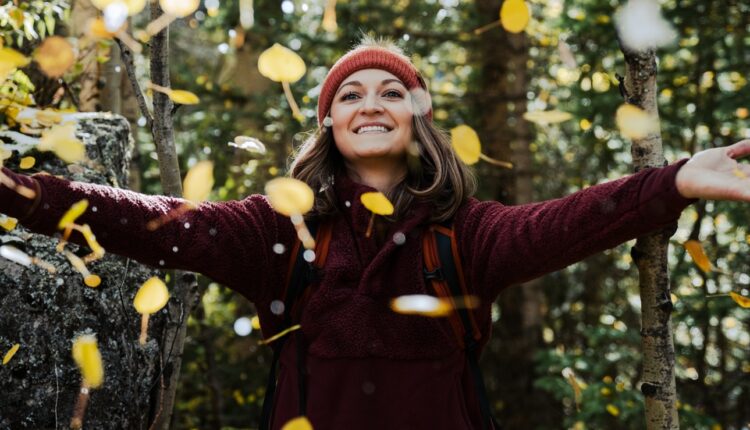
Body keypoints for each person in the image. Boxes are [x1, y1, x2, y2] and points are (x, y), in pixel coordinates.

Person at [1, 37, 750, 429]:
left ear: (417, 119)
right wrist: (20, 190)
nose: (371, 102)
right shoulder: (280, 230)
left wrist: (676, 178)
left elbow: (564, 222)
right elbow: (156, 219)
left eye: (393, 91)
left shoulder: (468, 235)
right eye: (349, 93)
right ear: (327, 119)